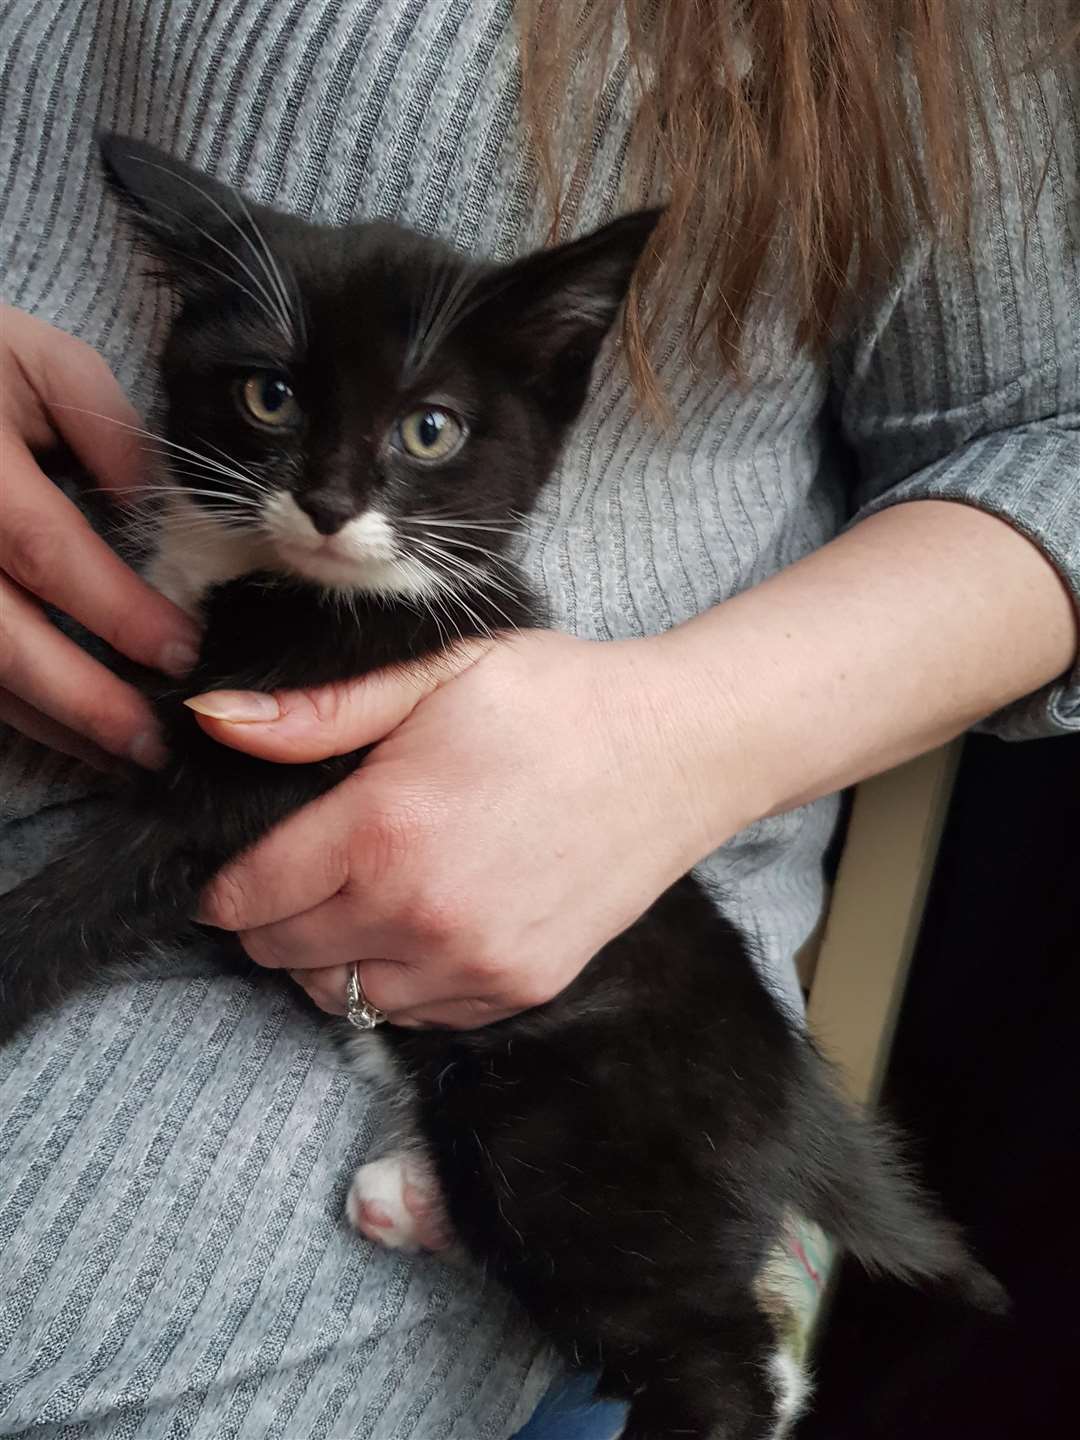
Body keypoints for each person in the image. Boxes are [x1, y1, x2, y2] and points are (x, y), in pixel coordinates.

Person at [1, 2, 1078, 1436]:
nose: (333, 489)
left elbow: (1055, 429)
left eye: (422, 433)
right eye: (271, 400)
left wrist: (677, 734)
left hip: (479, 917)